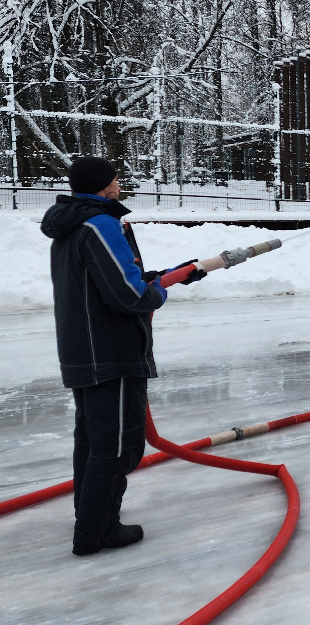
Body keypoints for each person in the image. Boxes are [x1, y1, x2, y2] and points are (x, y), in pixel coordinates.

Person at [40, 157, 197, 556]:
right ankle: (98, 531)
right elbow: (129, 296)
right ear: (106, 187)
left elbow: (113, 278)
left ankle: (89, 517)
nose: (120, 185)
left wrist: (170, 274)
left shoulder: (73, 224)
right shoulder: (102, 223)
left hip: (85, 351)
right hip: (112, 352)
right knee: (118, 448)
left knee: (93, 440)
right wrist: (156, 292)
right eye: (116, 180)